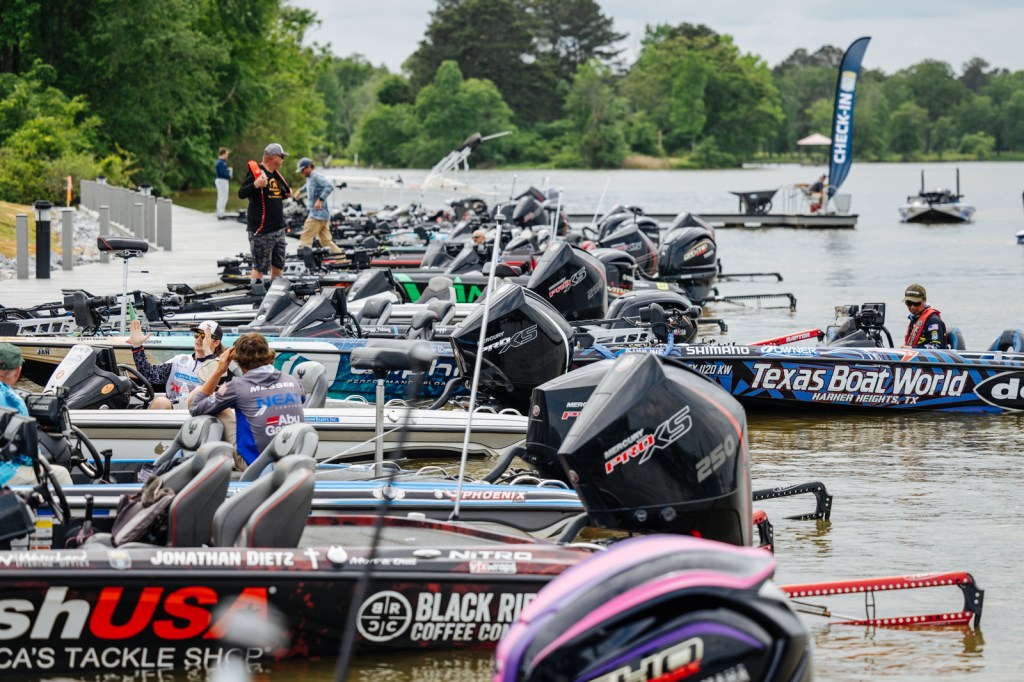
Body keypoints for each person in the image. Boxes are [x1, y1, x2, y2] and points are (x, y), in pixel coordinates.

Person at [190, 332, 305, 469]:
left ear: (237, 360)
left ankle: (212, 460)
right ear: (268, 353)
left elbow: (195, 407)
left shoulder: (236, 386)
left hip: (255, 465)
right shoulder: (291, 380)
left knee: (220, 409)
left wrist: (219, 370)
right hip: (292, 462)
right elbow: (301, 398)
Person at [0, 343, 72, 486]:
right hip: (4, 473)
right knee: (61, 474)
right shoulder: (12, 400)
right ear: (18, 371)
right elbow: (28, 457)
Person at [129, 319, 225, 409]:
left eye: (204, 336)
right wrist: (137, 346)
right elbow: (150, 375)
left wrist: (208, 353)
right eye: (197, 334)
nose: (199, 339)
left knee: (198, 390)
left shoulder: (220, 366)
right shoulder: (179, 360)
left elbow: (221, 394)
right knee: (161, 402)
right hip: (173, 412)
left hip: (200, 414)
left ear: (216, 343)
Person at [238, 142, 292, 281]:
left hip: (279, 230)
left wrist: (285, 194)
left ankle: (276, 291)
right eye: (282, 157)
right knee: (259, 268)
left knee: (278, 266)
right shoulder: (257, 173)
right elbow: (241, 193)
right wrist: (255, 184)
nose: (282, 160)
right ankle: (257, 292)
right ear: (274, 157)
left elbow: (272, 195)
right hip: (262, 231)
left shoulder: (275, 175)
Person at [293, 157, 341, 254]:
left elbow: (329, 186)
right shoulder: (310, 178)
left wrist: (320, 199)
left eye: (302, 170)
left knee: (305, 239)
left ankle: (305, 261)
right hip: (323, 216)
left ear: (309, 167)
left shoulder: (316, 176)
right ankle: (341, 259)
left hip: (316, 215)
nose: (302, 173)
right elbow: (308, 185)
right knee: (326, 242)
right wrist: (300, 191)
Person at [903, 283, 948, 349]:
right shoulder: (914, 318)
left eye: (916, 303)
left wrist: (912, 348)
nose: (912, 307)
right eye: (909, 303)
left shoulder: (933, 321)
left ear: (924, 300)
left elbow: (937, 347)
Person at [215, 147, 232, 219]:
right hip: (222, 181)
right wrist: (229, 173)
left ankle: (220, 213)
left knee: (221, 197)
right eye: (227, 154)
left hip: (221, 180)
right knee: (223, 197)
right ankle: (221, 214)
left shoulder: (220, 162)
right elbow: (223, 173)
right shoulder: (221, 163)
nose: (227, 156)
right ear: (223, 154)